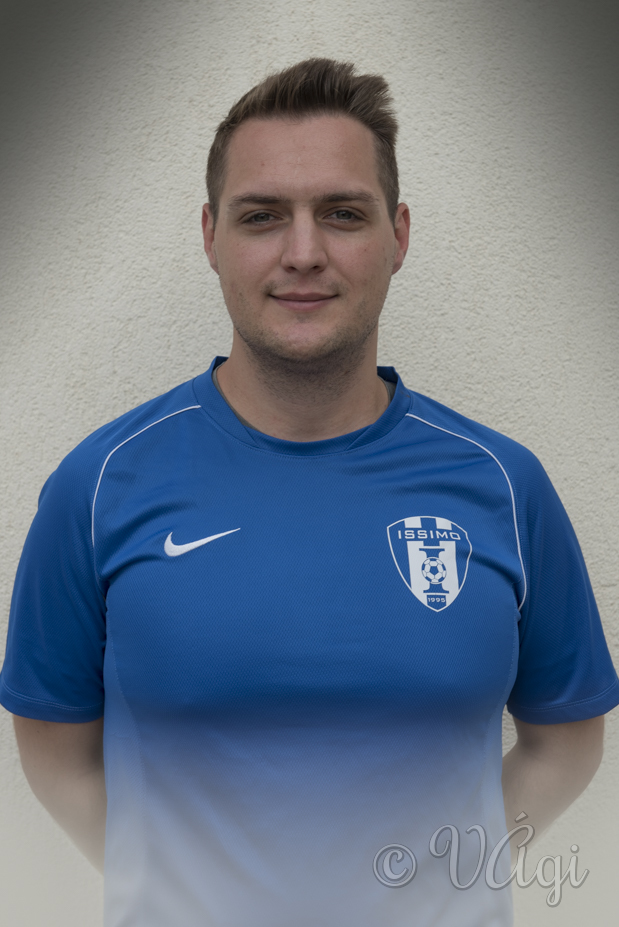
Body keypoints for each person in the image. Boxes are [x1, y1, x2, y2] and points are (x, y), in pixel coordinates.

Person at [1, 57, 617, 927]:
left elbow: (566, 741)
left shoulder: (503, 484)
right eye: (261, 216)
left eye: (342, 213)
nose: (302, 253)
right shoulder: (98, 485)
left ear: (398, 235)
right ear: (210, 235)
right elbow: (54, 750)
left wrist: (448, 882)